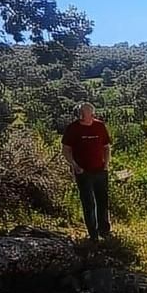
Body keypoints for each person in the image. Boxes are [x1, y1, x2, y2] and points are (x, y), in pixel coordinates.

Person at [61, 103, 112, 241]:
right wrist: (75, 165)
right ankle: (93, 234)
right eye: (79, 112)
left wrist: (106, 165)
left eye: (83, 112)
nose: (81, 115)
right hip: (83, 172)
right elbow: (66, 150)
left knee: (103, 201)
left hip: (100, 171)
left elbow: (106, 147)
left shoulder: (100, 126)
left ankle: (105, 231)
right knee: (89, 203)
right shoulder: (73, 128)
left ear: (91, 113)